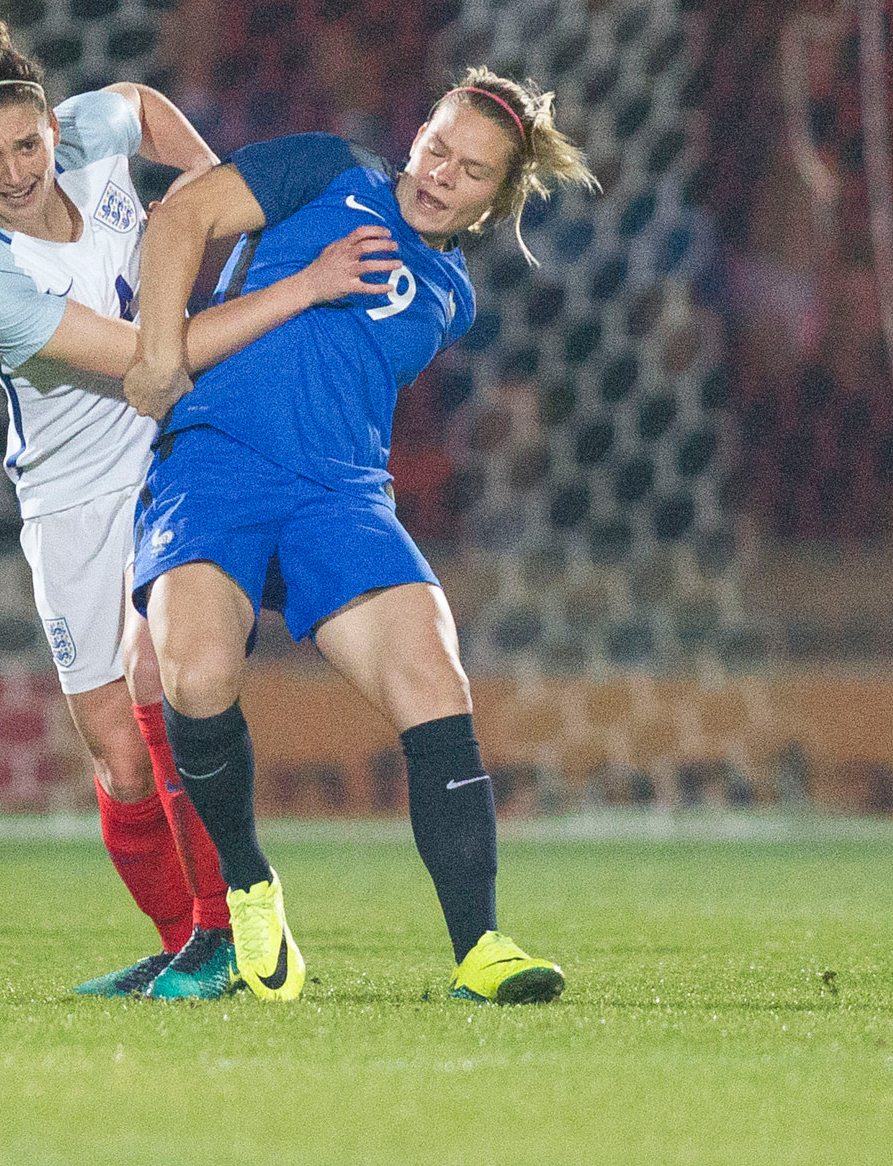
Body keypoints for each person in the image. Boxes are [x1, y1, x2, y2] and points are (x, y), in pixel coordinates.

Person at [0, 20, 405, 998]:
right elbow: (151, 360)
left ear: (48, 128)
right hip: (69, 491)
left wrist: (201, 198)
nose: (15, 171)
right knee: (114, 755)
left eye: (26, 145)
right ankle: (190, 940)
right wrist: (295, 281)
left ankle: (226, 927)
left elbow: (140, 105)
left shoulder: (84, 131)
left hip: (170, 451)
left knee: (161, 673)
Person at [123, 68, 599, 1003]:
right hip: (214, 461)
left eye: (468, 172)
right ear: (415, 128)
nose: (437, 174)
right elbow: (179, 217)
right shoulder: (324, 168)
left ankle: (482, 946)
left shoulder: (451, 300)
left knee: (435, 675)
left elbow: (338, 372)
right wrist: (154, 349)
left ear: (497, 199)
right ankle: (252, 889)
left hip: (340, 493)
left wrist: (317, 288)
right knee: (198, 675)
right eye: (434, 147)